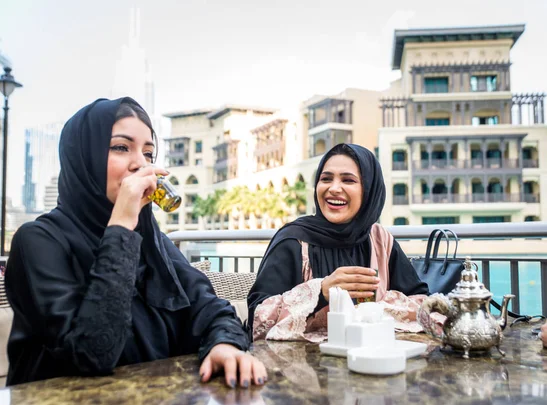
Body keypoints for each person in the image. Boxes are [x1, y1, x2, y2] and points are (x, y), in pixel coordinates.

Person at [5, 98, 267, 387]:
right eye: (120, 147)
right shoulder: (38, 241)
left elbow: (211, 308)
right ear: (84, 158)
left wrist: (224, 346)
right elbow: (92, 353)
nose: (140, 163)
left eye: (148, 153)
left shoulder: (153, 242)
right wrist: (121, 227)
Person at [247, 143, 429, 341]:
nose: (333, 188)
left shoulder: (379, 240)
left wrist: (372, 308)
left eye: (348, 180)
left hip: (371, 358)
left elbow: (421, 305)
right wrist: (320, 292)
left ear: (368, 190)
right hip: (300, 366)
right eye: (326, 179)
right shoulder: (293, 240)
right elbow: (257, 319)